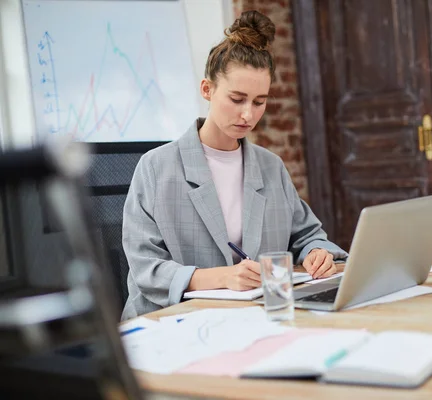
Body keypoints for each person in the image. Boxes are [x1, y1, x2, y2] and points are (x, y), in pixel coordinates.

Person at [121, 10, 347, 320]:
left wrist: (318, 253)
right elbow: (146, 267)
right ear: (207, 90)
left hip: (255, 318)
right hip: (174, 322)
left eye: (259, 101)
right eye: (237, 98)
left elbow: (308, 235)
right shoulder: (156, 168)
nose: (248, 115)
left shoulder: (270, 167)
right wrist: (223, 277)